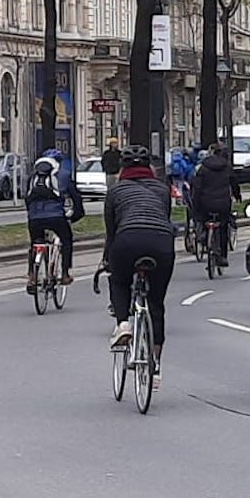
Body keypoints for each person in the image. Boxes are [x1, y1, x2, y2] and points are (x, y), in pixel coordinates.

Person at [105, 144, 175, 388]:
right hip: (161, 242)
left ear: (123, 168)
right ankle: (155, 368)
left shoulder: (116, 191)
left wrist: (107, 260)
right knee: (156, 303)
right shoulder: (162, 188)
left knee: (119, 280)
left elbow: (111, 231)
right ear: (149, 168)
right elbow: (164, 218)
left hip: (128, 239)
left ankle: (123, 324)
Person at [24, 149, 86, 292]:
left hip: (34, 218)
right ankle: (64, 273)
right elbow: (76, 198)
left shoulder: (32, 177)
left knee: (35, 243)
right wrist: (76, 214)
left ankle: (32, 276)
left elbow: (27, 199)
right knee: (66, 239)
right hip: (56, 217)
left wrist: (31, 214)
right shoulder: (63, 176)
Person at [191, 141, 241, 263]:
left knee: (203, 218)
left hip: (205, 202)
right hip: (223, 203)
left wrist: (195, 203)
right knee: (223, 226)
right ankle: (223, 256)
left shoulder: (203, 168)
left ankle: (203, 237)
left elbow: (197, 187)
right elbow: (234, 183)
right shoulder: (227, 168)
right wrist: (237, 195)